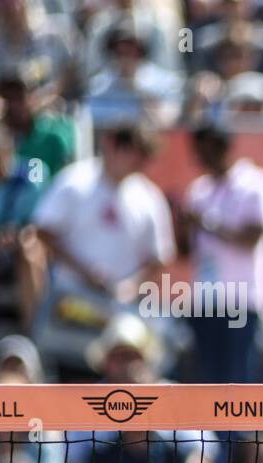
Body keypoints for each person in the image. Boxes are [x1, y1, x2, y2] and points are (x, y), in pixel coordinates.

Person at [30, 123, 175, 378]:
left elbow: (161, 257)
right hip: (73, 303)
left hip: (122, 310)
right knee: (71, 388)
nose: (139, 162)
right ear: (111, 145)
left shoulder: (149, 196)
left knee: (126, 388)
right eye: (134, 153)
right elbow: (43, 231)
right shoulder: (75, 181)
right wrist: (85, 271)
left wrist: (132, 285)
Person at [179, 123, 263, 384]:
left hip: (242, 301)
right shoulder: (198, 189)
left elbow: (252, 237)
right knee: (207, 383)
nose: (199, 158)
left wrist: (205, 222)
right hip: (205, 302)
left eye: (203, 150)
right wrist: (183, 227)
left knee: (238, 383)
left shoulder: (257, 184)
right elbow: (185, 251)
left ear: (219, 148)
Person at [0, 121, 48, 331]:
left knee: (30, 251)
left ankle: (32, 329)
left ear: (10, 150)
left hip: (26, 241)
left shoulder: (34, 170)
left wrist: (21, 235)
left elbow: (41, 220)